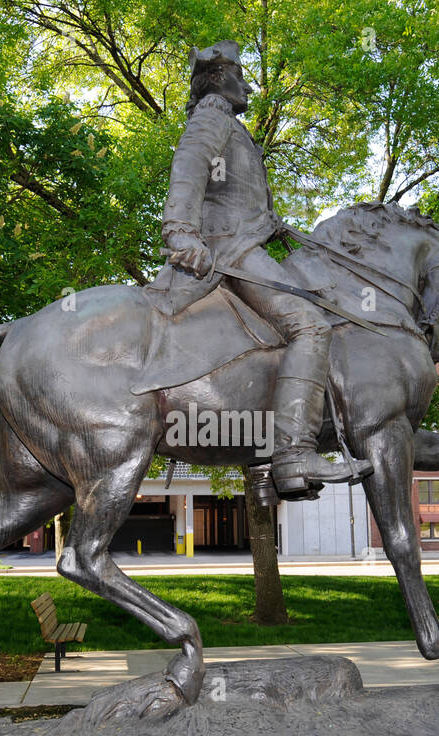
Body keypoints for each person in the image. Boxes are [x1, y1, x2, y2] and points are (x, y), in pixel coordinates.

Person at [149, 41, 372, 497]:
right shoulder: (213, 115)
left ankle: (273, 457)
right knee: (310, 327)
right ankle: (294, 454)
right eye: (239, 74)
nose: (247, 84)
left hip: (246, 241)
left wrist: (276, 227)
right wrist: (180, 231)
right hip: (228, 249)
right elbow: (188, 168)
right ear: (217, 79)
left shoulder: (233, 128)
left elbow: (236, 196)